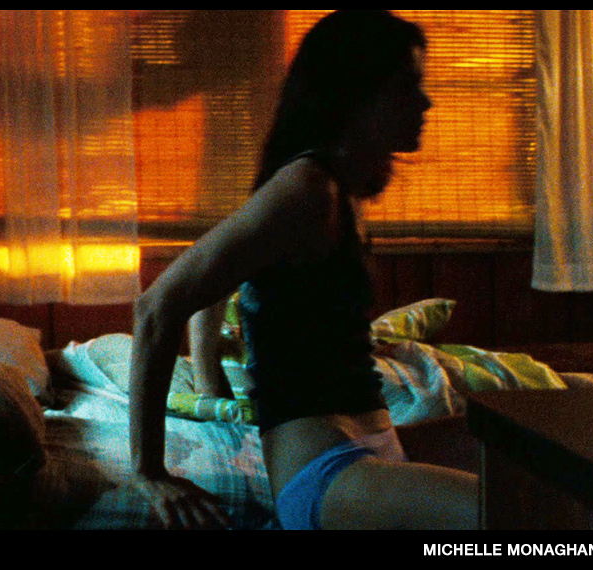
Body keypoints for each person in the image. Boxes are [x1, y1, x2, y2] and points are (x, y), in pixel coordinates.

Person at [128, 10, 478, 530]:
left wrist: (209, 376)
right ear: (354, 94)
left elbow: (220, 283)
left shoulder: (338, 189)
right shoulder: (308, 188)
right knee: (531, 518)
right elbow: (157, 306)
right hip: (327, 473)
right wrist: (149, 471)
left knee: (546, 454)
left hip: (374, 448)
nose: (426, 102)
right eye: (407, 86)